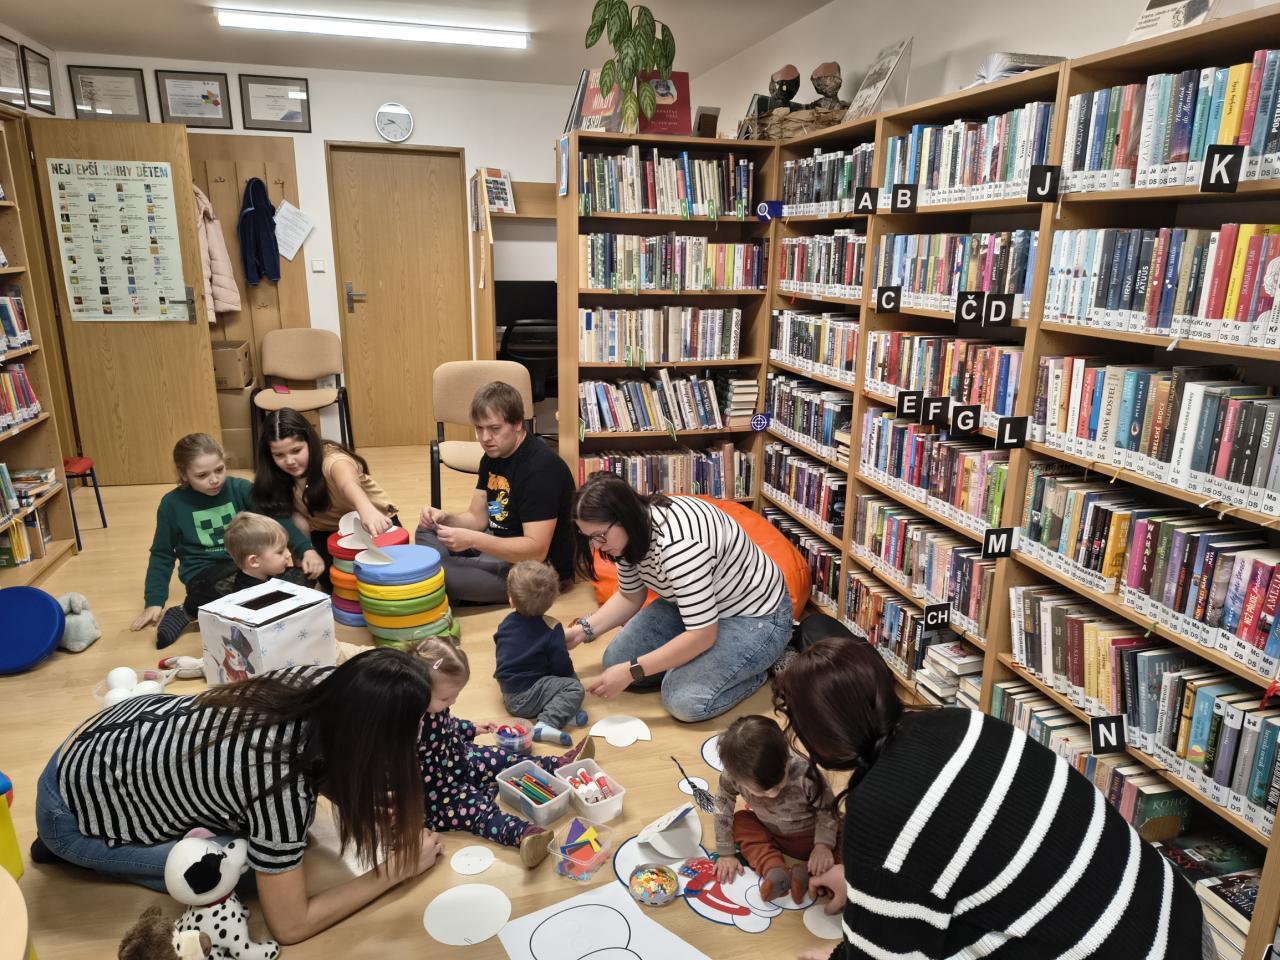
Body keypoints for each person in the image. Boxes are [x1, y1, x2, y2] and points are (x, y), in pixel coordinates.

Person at [774, 637, 1209, 960]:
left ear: (817, 739)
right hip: (1176, 917)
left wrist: (840, 952)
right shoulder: (960, 722)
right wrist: (864, 885)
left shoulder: (876, 814)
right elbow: (957, 850)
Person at [31, 650, 444, 946]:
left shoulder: (319, 680)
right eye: (417, 724)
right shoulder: (279, 785)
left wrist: (356, 798)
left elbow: (323, 752)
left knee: (279, 853)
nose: (424, 730)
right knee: (239, 872)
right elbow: (291, 926)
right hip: (69, 813)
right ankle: (77, 853)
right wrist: (395, 870)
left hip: (104, 736)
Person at [565, 473, 792, 722]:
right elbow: (630, 596)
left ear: (624, 517)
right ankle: (698, 662)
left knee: (682, 700)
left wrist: (632, 671)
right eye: (589, 537)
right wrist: (580, 632)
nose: (596, 546)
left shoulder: (679, 548)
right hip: (691, 606)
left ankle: (761, 666)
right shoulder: (630, 534)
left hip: (754, 617)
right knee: (615, 661)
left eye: (599, 536)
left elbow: (702, 634)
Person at [412, 635, 593, 868]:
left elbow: (448, 724)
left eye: (456, 695)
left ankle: (557, 765)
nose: (453, 701)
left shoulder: (436, 705)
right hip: (441, 793)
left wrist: (470, 728)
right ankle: (523, 834)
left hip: (463, 759)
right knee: (479, 812)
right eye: (447, 698)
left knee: (505, 757)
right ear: (419, 691)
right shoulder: (411, 722)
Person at [131, 432, 323, 649]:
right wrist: (154, 600)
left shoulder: (240, 489)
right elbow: (162, 553)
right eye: (202, 475)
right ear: (184, 475)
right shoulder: (171, 504)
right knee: (236, 589)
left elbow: (276, 518)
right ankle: (185, 612)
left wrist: (305, 549)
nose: (214, 480)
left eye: (219, 470)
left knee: (301, 580)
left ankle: (246, 602)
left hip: (248, 566)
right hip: (205, 576)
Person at [416, 381, 574, 605]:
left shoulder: (541, 469)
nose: (485, 438)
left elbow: (536, 551)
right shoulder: (492, 456)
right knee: (426, 529)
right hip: (497, 546)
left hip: (534, 572)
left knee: (439, 573)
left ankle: (449, 577)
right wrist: (445, 518)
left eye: (494, 429)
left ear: (518, 424)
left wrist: (474, 540)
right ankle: (454, 575)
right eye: (479, 428)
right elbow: (477, 518)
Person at [253, 408, 399, 591]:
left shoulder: (333, 459)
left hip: (375, 525)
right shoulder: (274, 474)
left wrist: (367, 510)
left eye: (296, 450)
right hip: (328, 533)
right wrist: (305, 550)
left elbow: (348, 484)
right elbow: (278, 511)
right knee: (337, 589)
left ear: (310, 442)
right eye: (279, 455)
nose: (289, 461)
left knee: (384, 584)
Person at [712, 714, 838, 904]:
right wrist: (726, 853)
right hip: (771, 832)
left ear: (786, 758)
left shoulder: (806, 772)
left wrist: (823, 845)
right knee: (742, 821)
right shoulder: (733, 775)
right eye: (761, 792)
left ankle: (810, 873)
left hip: (812, 835)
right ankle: (774, 870)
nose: (772, 794)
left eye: (779, 785)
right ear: (738, 779)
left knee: (852, 833)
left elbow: (828, 809)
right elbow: (722, 805)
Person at [493, 560, 588, 747]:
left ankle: (562, 712)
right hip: (526, 696)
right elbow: (562, 666)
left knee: (560, 682)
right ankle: (546, 723)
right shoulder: (552, 628)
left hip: (509, 691)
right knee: (574, 687)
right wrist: (571, 680)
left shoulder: (506, 623)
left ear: (511, 600)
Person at [222, 512, 315, 592]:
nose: (288, 554)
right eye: (280, 552)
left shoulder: (266, 576)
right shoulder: (253, 596)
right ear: (254, 561)